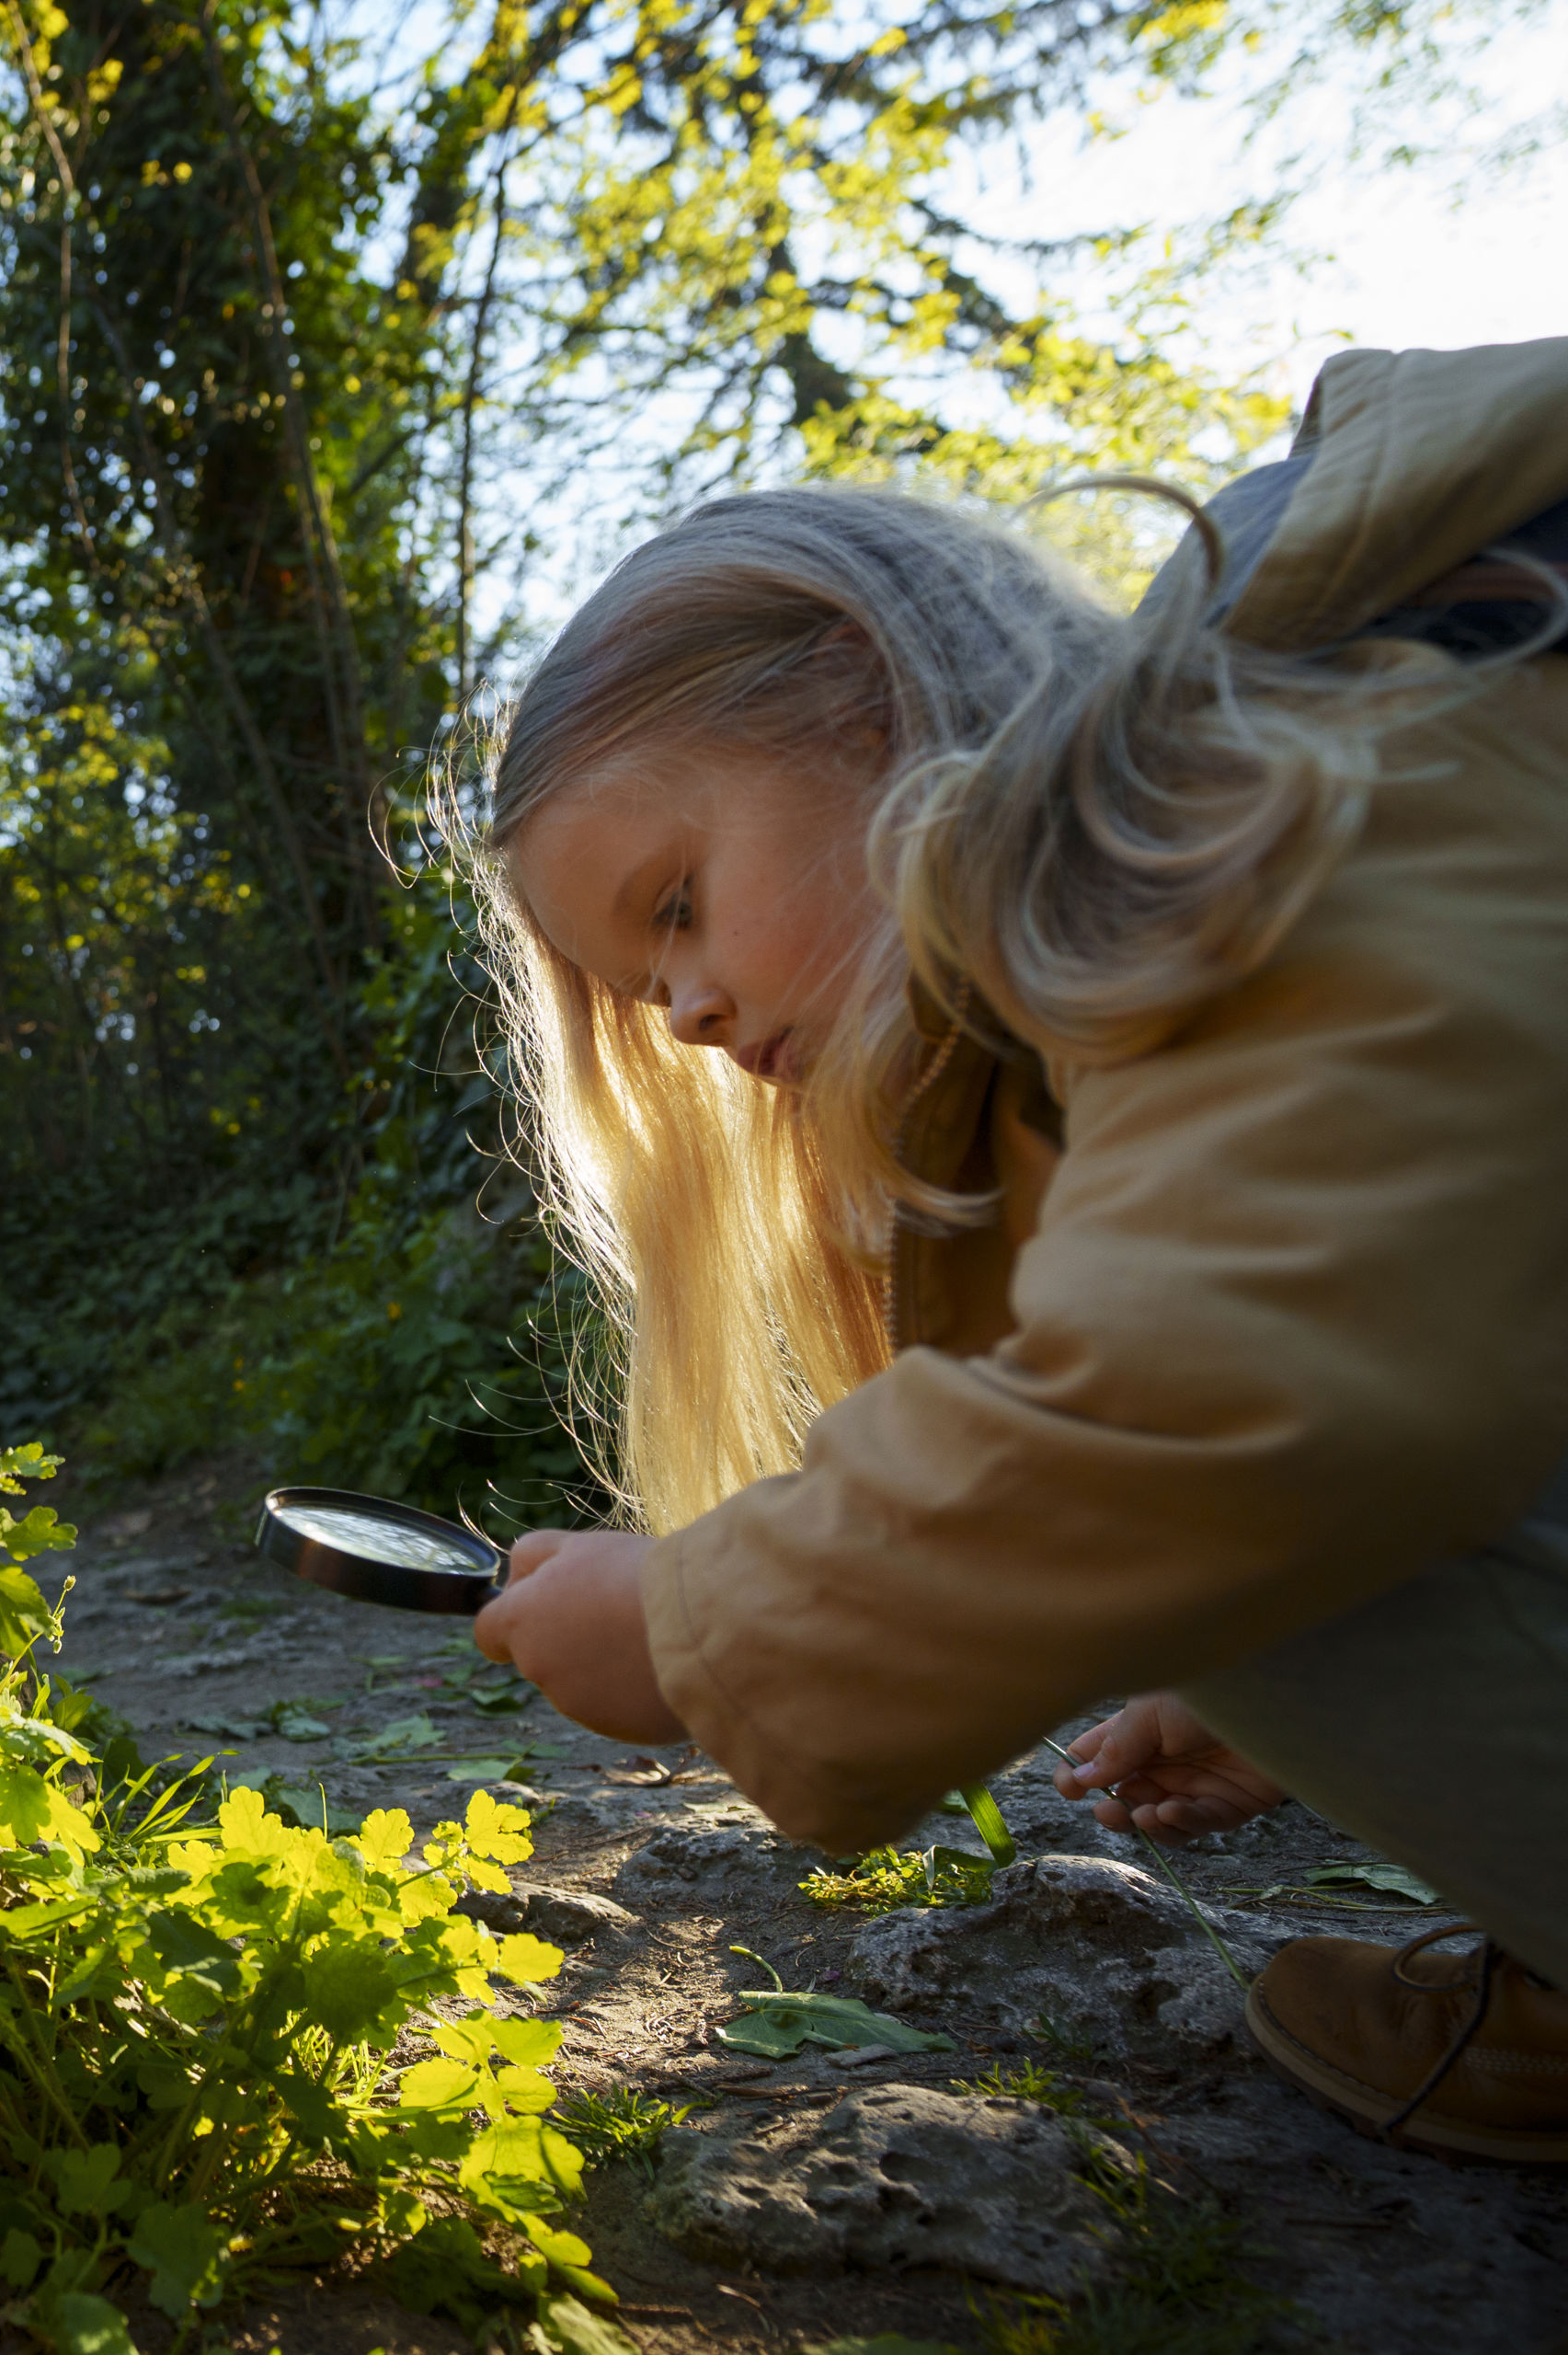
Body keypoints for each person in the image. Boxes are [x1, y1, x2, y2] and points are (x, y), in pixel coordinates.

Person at [463, 337, 1568, 2165]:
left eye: (673, 903)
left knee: (1223, 1515)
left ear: (861, 689)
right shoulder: (1213, 876)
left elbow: (1266, 1394)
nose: (683, 1004)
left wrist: (694, 1615)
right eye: (637, 983)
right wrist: (1283, 1674)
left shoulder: (1324, 773)